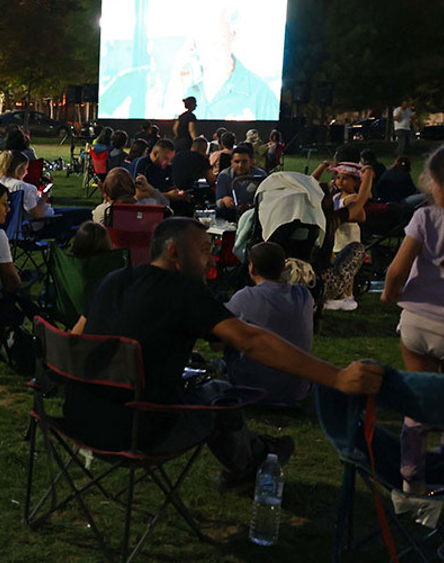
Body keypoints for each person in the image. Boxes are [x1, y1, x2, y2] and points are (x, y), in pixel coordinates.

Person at [69, 217, 384, 487]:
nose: (210, 260)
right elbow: (249, 341)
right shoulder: (186, 290)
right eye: (205, 251)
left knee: (200, 385)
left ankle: (258, 449)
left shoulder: (113, 279)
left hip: (80, 420)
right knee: (219, 393)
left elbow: (75, 338)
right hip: (139, 433)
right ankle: (252, 461)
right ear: (175, 253)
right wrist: (337, 377)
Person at [382, 145, 444, 496]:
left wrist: (390, 296)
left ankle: (412, 477)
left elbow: (396, 271)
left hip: (418, 323)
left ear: (432, 182)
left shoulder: (424, 218)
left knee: (417, 400)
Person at [223, 242, 314, 405]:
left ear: (251, 268)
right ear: (283, 268)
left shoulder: (244, 297)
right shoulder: (304, 296)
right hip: (296, 390)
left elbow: (218, 339)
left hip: (250, 388)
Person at [312, 160, 374, 310]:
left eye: (344, 178)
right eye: (337, 177)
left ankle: (347, 295)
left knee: (346, 268)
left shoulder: (351, 198)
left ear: (355, 182)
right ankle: (337, 294)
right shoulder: (336, 197)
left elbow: (361, 205)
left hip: (347, 238)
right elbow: (312, 183)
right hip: (336, 238)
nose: (339, 181)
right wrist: (322, 166)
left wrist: (367, 176)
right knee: (334, 265)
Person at [91, 168, 167, 224]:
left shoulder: (102, 211)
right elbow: (165, 203)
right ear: (132, 186)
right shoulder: (146, 209)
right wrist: (150, 188)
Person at [134, 138, 191, 212]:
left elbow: (170, 185)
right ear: (155, 154)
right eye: (166, 158)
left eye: (171, 159)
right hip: (148, 207)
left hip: (163, 202)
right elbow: (140, 195)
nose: (169, 162)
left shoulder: (167, 167)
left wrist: (179, 194)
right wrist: (168, 195)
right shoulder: (143, 164)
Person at [214, 144, 267, 219]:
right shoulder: (224, 176)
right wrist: (224, 201)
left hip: (253, 213)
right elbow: (218, 201)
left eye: (244, 161)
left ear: (251, 161)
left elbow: (266, 200)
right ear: (231, 162)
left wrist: (249, 206)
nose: (240, 165)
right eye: (237, 162)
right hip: (231, 213)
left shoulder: (260, 176)